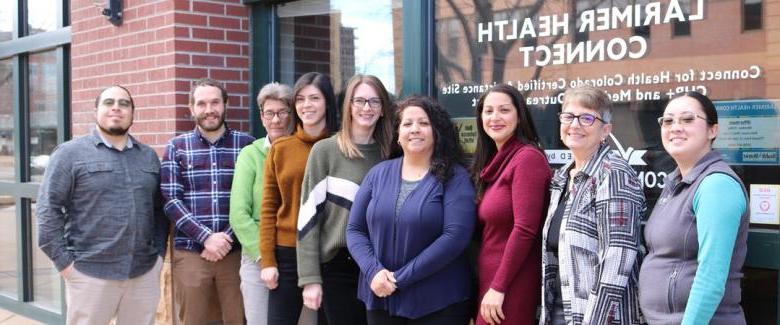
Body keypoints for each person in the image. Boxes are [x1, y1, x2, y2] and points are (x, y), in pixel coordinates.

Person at [37, 85, 168, 325]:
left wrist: (159, 255)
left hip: (143, 272)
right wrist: (65, 264)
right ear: (95, 110)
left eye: (124, 103)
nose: (116, 108)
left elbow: (158, 210)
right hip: (89, 273)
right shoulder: (69, 154)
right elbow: (48, 210)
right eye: (109, 102)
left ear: (132, 113)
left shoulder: (148, 156)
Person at [347, 96, 476, 325]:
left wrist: (398, 279)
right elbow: (355, 229)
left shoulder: (455, 177)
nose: (414, 130)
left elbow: (455, 237)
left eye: (424, 123)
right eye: (407, 124)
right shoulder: (377, 174)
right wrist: (373, 271)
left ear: (437, 131)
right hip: (380, 296)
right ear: (398, 134)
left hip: (438, 302)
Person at [639, 92, 748, 324]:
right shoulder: (676, 183)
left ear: (712, 131)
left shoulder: (717, 185)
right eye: (668, 121)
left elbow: (711, 277)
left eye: (688, 119)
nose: (675, 127)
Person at [540, 86, 646, 325]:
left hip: (601, 318)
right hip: (562, 310)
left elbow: (617, 261)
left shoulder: (614, 174)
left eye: (587, 118)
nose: (575, 125)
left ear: (605, 130)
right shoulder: (563, 178)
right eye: (568, 116)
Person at [297, 75, 395, 324]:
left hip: (381, 265)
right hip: (337, 266)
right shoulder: (325, 151)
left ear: (383, 108)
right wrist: (310, 279)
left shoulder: (392, 155)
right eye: (359, 100)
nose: (366, 108)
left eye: (374, 101)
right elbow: (308, 218)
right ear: (348, 106)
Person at [161, 78, 255, 325]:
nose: (209, 109)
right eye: (201, 103)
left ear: (225, 104)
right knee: (194, 320)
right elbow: (171, 200)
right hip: (192, 252)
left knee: (238, 319)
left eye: (215, 102)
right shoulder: (176, 147)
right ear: (191, 108)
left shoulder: (246, 145)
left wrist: (226, 239)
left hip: (235, 251)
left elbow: (254, 201)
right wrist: (206, 237)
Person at [229, 82, 317, 325]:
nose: (276, 119)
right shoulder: (251, 154)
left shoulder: (307, 151)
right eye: (269, 113)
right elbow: (239, 214)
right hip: (258, 258)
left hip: (299, 256)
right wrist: (264, 256)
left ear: (292, 113)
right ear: (261, 116)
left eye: (282, 112)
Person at [260, 72, 339, 325]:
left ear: (327, 102)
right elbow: (269, 207)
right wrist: (268, 261)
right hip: (288, 253)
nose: (307, 105)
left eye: (315, 98)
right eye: (301, 99)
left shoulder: (342, 147)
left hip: (332, 253)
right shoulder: (281, 149)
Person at [471, 84, 551, 325]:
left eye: (504, 110)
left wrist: (498, 286)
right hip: (491, 280)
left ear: (519, 116)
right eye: (488, 111)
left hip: (511, 283)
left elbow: (525, 229)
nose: (495, 117)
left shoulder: (527, 159)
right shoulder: (496, 162)